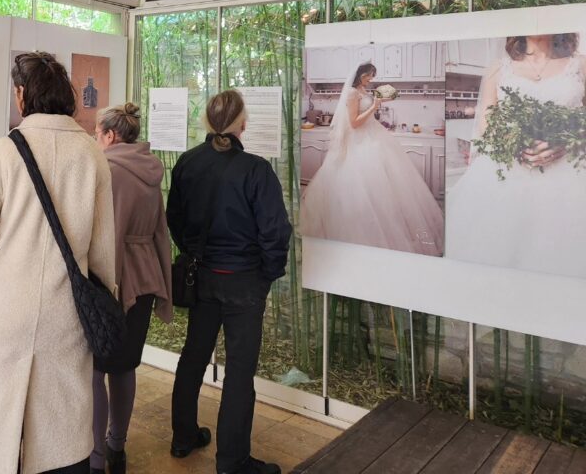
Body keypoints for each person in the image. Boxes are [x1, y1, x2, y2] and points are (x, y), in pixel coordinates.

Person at [0, 51, 117, 474]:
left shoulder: (5, 152)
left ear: (23, 94)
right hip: (66, 310)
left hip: (4, 308)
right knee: (62, 425)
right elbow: (102, 250)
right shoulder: (91, 153)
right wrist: (103, 298)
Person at [166, 90, 293, 474]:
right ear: (243, 124)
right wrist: (266, 274)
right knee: (239, 372)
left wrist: (194, 253)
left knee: (193, 356)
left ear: (207, 122)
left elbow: (175, 219)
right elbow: (276, 232)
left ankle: (183, 436)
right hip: (243, 282)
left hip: (203, 277)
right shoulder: (256, 170)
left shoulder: (188, 162)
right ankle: (232, 461)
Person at [447, 33, 586, 276]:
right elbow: (486, 125)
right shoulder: (498, 69)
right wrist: (514, 144)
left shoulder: (581, 64)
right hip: (507, 171)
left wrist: (565, 140)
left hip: (569, 174)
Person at [91, 103, 173, 474]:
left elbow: (106, 236)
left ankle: (95, 459)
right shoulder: (151, 169)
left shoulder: (107, 170)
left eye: (97, 134)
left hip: (111, 279)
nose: (95, 140)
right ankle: (117, 448)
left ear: (110, 135)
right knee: (124, 367)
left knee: (95, 370)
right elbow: (160, 232)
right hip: (145, 279)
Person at [299, 62, 443, 255]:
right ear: (360, 75)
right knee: (363, 185)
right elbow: (354, 123)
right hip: (359, 141)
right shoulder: (352, 93)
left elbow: (367, 113)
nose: (371, 79)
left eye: (372, 76)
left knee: (388, 185)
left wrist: (378, 102)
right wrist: (374, 106)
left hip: (374, 136)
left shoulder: (363, 91)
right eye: (369, 76)